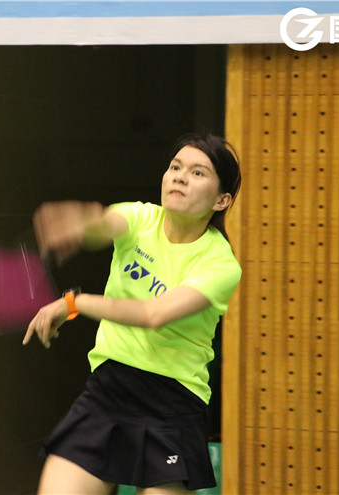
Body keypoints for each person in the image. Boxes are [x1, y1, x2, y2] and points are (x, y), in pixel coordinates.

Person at [23, 133, 242, 495]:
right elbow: (104, 223)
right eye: (175, 167)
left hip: (172, 405)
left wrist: (73, 303)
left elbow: (153, 314)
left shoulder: (220, 265)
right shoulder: (139, 217)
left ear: (222, 200)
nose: (180, 177)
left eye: (197, 172)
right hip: (108, 392)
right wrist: (81, 223)